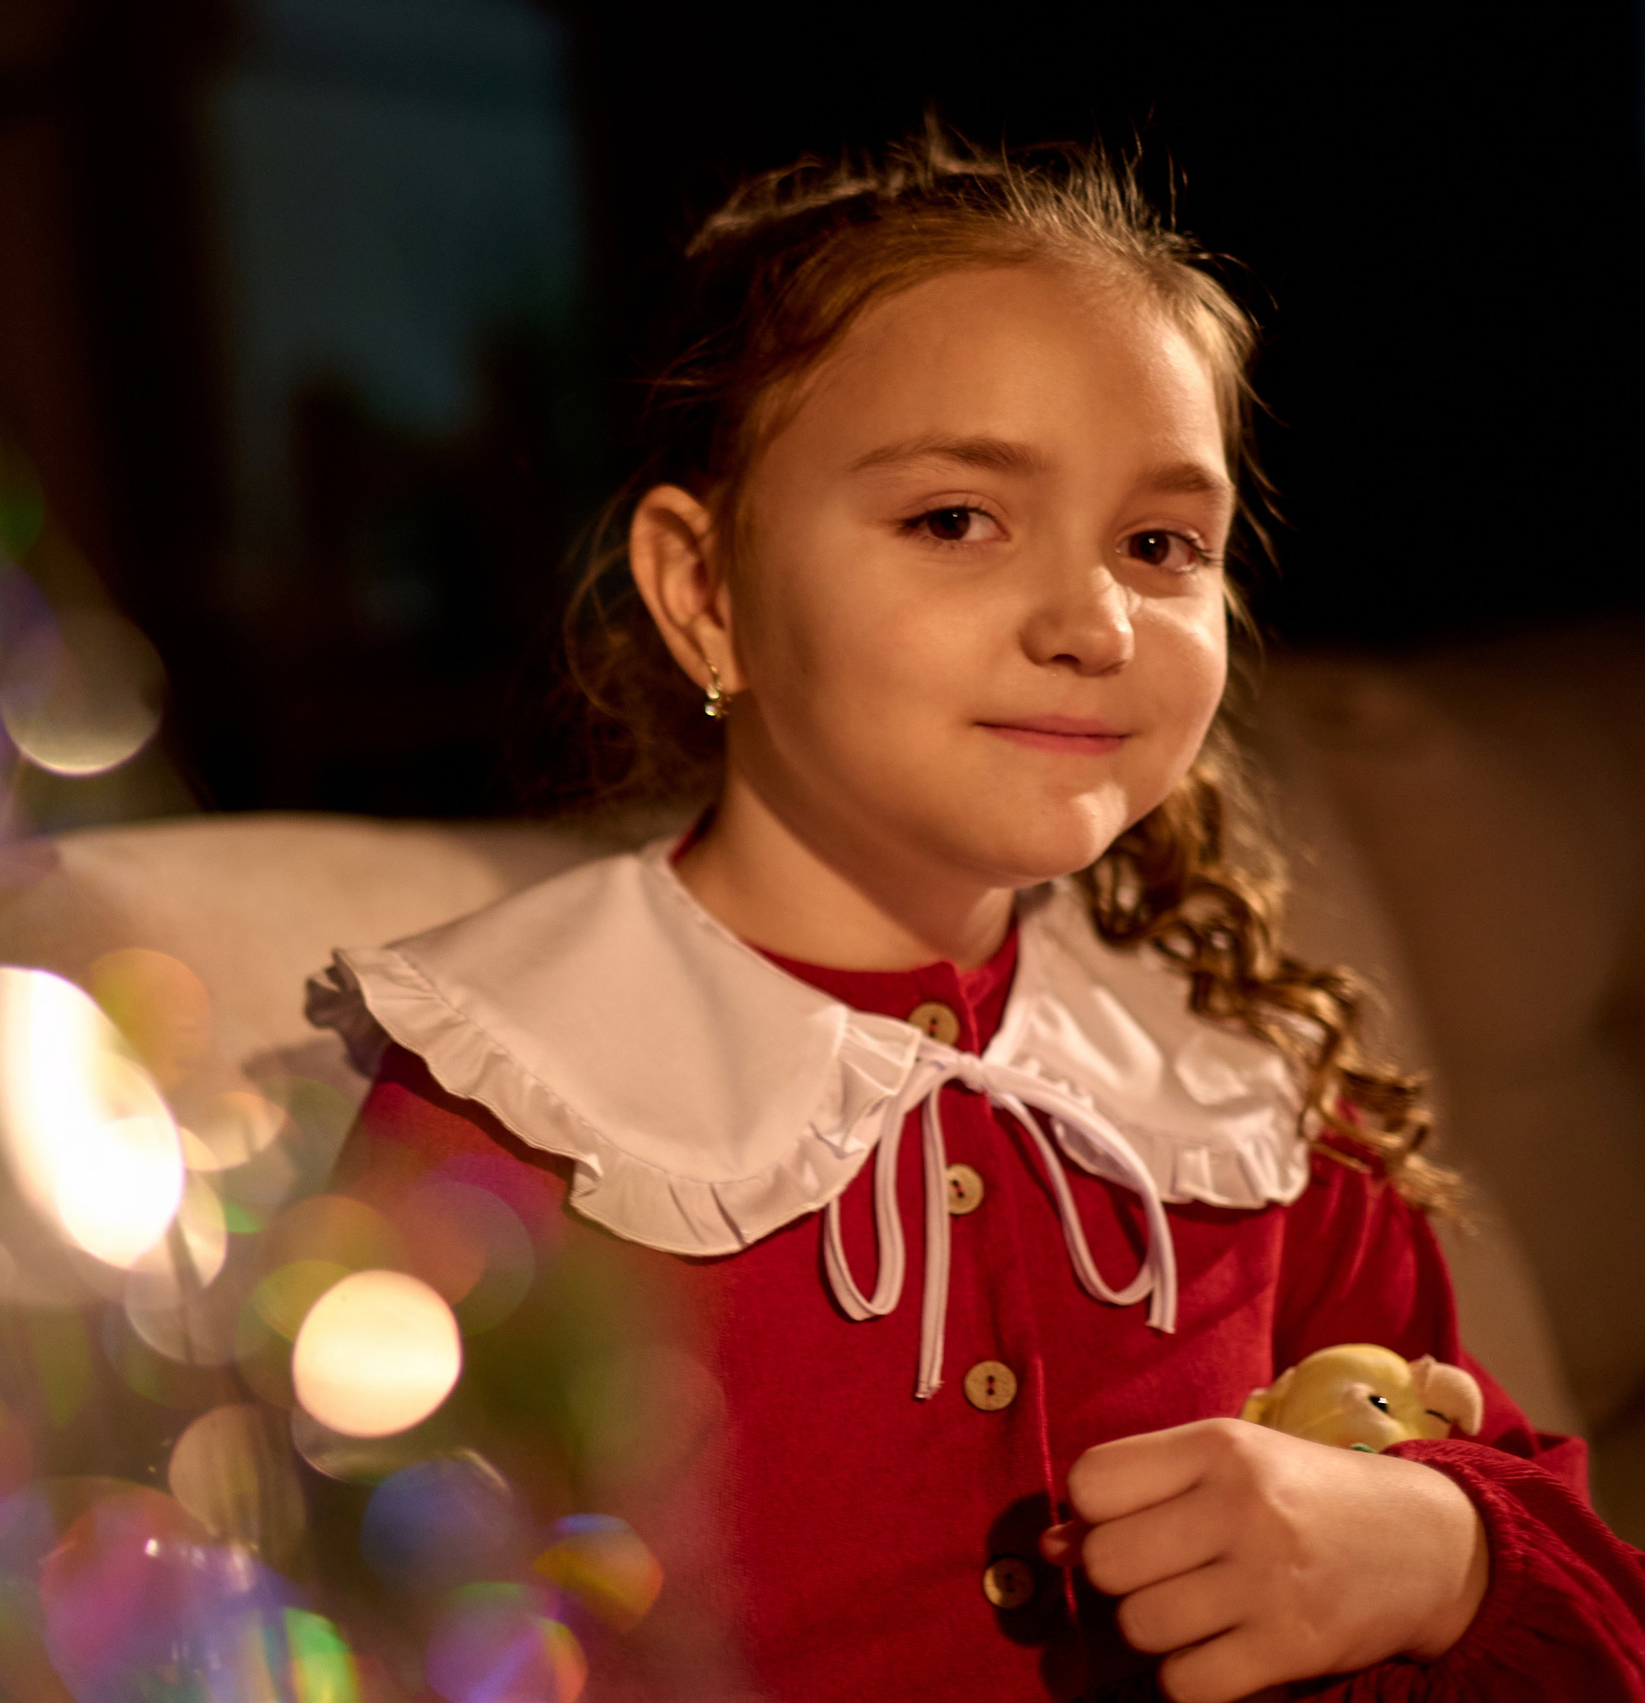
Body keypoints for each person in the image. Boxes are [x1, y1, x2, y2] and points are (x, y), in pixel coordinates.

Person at [305, 137, 1645, 1700]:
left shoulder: (1245, 1088)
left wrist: (1437, 1552)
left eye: (1159, 546)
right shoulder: (509, 1110)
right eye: (955, 519)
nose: (1093, 622)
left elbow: (1593, 1618)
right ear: (704, 591)